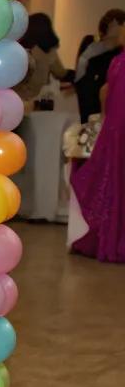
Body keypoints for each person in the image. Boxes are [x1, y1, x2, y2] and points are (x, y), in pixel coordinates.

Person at [70, 20, 125, 260]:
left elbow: (105, 92)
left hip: (115, 131)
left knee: (111, 179)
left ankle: (111, 239)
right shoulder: (117, 62)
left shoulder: (118, 61)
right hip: (117, 130)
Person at [76, 9, 125, 122]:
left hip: (105, 112)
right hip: (88, 105)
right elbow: (80, 78)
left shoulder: (118, 55)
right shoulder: (90, 44)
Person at [16, 13, 70, 108]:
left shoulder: (21, 48)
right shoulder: (48, 51)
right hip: (37, 98)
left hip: (17, 96)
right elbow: (60, 72)